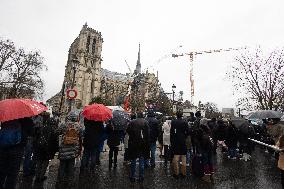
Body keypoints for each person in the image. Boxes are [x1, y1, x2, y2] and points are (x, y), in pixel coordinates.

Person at [0, 117, 34, 189]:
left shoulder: (7, 117)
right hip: (17, 149)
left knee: (2, 170)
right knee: (13, 174)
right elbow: (31, 133)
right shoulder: (27, 120)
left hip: (3, 147)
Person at [56, 112, 82, 187]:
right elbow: (81, 134)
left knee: (62, 166)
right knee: (71, 166)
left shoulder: (64, 125)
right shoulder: (78, 126)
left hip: (64, 149)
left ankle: (60, 181)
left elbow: (57, 132)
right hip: (73, 149)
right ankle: (70, 182)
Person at [33, 117, 58, 183]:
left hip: (40, 147)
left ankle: (37, 176)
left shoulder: (41, 128)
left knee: (39, 162)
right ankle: (41, 177)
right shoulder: (54, 130)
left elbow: (36, 138)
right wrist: (55, 150)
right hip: (48, 149)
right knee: (45, 163)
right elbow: (55, 142)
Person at [127, 112, 149, 182]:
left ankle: (132, 176)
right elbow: (148, 134)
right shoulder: (145, 122)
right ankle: (141, 176)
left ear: (137, 116)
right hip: (142, 144)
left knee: (133, 160)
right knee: (141, 160)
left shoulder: (132, 122)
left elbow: (128, 131)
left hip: (133, 143)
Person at [170, 111, 189, 179]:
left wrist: (171, 141)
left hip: (175, 141)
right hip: (183, 141)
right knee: (184, 157)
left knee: (176, 157)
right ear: (182, 115)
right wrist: (184, 136)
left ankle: (176, 173)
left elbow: (171, 132)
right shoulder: (185, 122)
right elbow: (188, 132)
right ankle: (183, 173)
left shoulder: (173, 122)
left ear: (176, 115)